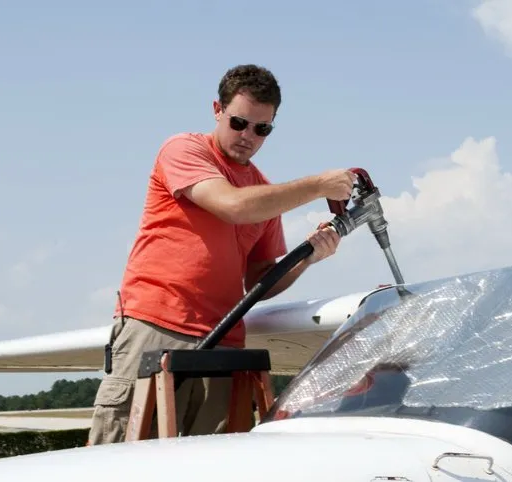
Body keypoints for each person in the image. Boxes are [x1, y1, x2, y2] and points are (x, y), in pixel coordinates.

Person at [86, 64, 357, 445]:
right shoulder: (184, 149)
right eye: (239, 123)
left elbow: (260, 280)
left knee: (215, 463)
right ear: (218, 110)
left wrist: (308, 256)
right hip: (155, 327)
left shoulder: (264, 194)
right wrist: (318, 185)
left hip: (224, 343)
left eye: (262, 129)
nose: (248, 136)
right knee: (119, 460)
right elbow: (231, 205)